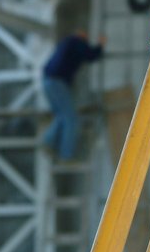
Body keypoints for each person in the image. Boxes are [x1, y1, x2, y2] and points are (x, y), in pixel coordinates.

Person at [41, 30, 105, 160]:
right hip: (57, 82)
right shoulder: (76, 42)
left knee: (62, 115)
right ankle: (66, 155)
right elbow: (91, 55)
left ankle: (48, 141)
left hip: (47, 81)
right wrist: (100, 45)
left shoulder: (66, 43)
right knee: (71, 118)